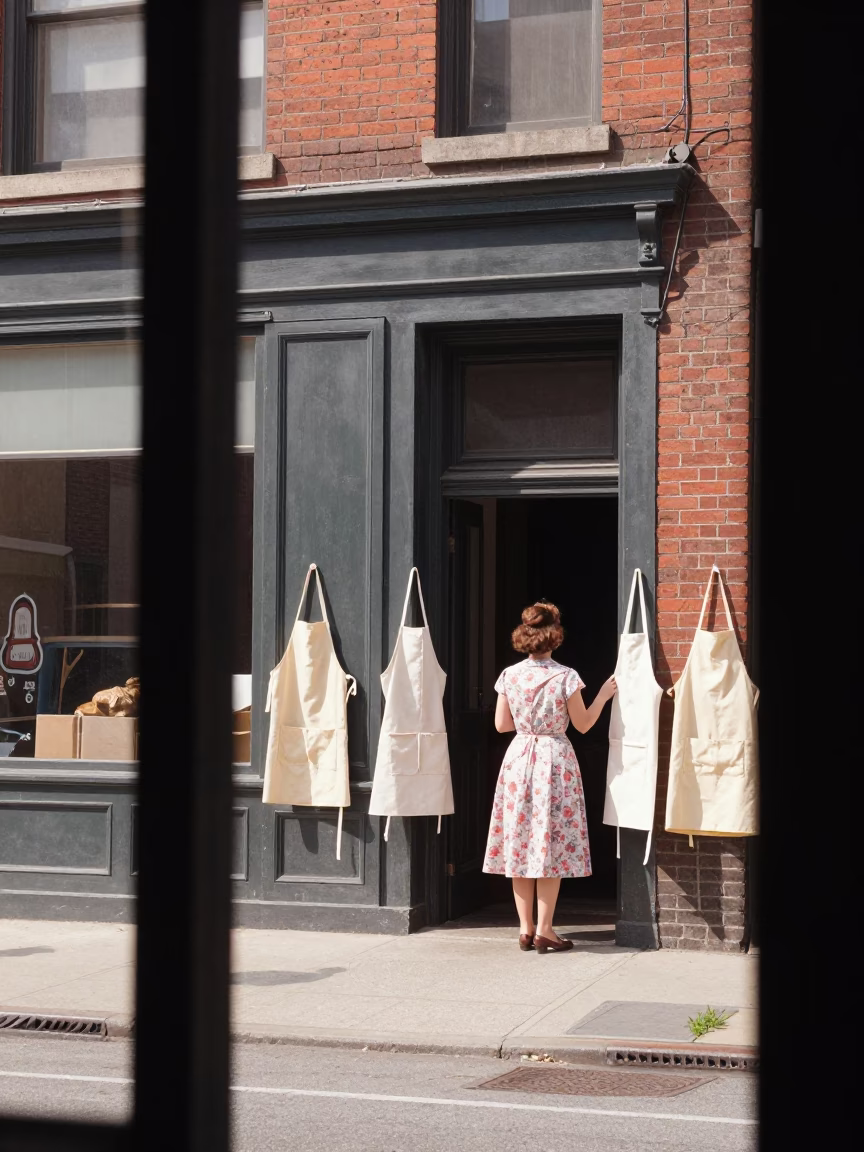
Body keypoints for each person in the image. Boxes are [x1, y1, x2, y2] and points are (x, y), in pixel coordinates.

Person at [482, 602, 617, 954]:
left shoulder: (509, 676)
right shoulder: (565, 676)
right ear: (554, 637)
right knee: (550, 843)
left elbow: (501, 725)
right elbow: (585, 724)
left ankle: (525, 929)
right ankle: (545, 929)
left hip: (518, 758)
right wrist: (602, 696)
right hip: (555, 759)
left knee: (520, 841)